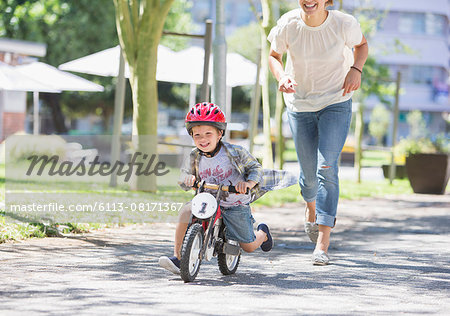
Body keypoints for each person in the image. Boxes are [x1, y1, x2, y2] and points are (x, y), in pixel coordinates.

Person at [268, 0, 368, 265]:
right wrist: (281, 77)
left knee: (327, 167)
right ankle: (310, 206)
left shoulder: (343, 23)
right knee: (309, 175)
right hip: (299, 105)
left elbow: (362, 45)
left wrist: (355, 69)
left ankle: (323, 242)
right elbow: (273, 56)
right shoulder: (288, 24)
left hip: (336, 100)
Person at [159, 102, 274, 275]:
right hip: (207, 199)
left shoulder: (235, 152)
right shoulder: (194, 155)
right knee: (185, 212)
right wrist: (187, 179)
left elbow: (255, 168)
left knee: (249, 246)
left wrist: (248, 184)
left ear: (220, 133)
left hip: (235, 202)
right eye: (197, 135)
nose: (202, 139)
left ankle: (263, 233)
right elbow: (183, 177)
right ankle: (179, 258)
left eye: (208, 134)